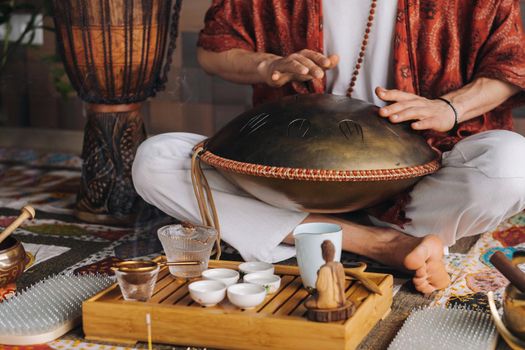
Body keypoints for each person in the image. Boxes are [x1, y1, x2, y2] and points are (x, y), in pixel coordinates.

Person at [132, 1, 525, 293]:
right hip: (292, 182)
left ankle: (361, 230)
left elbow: (512, 66)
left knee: (512, 166)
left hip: (422, 179)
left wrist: (449, 108)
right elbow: (213, 49)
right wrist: (267, 66)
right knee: (155, 161)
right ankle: (379, 243)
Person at [305, 240, 347, 310]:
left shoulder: (324, 268)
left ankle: (327, 304)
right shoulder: (339, 265)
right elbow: (343, 282)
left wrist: (319, 275)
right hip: (340, 299)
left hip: (327, 301)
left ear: (323, 254)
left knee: (308, 303)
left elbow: (320, 287)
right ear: (334, 252)